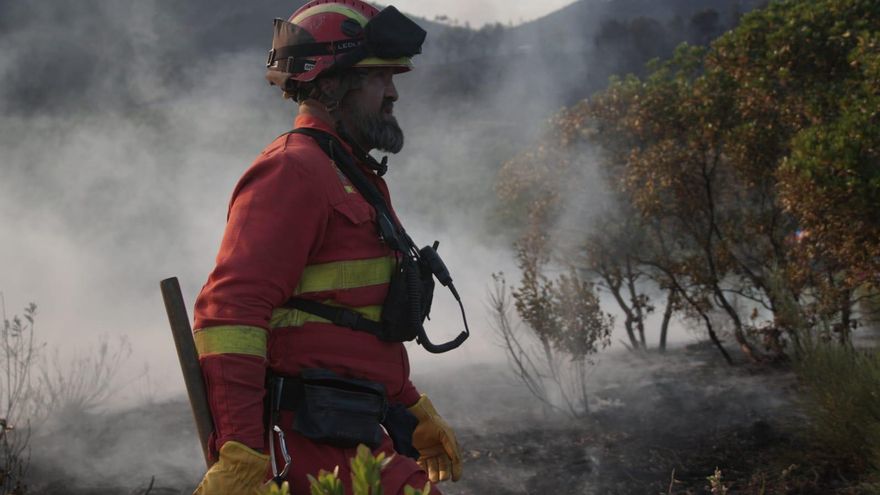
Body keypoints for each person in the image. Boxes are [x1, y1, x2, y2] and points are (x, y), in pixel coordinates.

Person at [190, 1, 463, 494]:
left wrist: (413, 408)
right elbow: (230, 315)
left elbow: (351, 324)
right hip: (310, 448)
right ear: (331, 84)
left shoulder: (349, 174)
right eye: (378, 77)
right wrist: (242, 452)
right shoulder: (294, 172)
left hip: (354, 433)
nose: (393, 92)